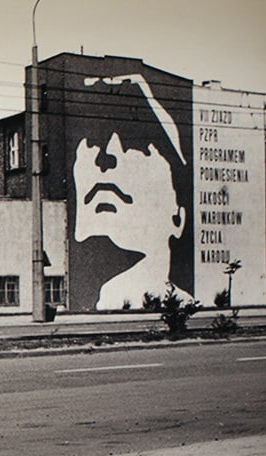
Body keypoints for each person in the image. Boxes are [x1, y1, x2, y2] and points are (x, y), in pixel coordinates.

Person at [69, 72, 193, 310]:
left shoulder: (181, 301)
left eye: (134, 145)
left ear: (177, 218)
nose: (107, 157)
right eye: (95, 140)